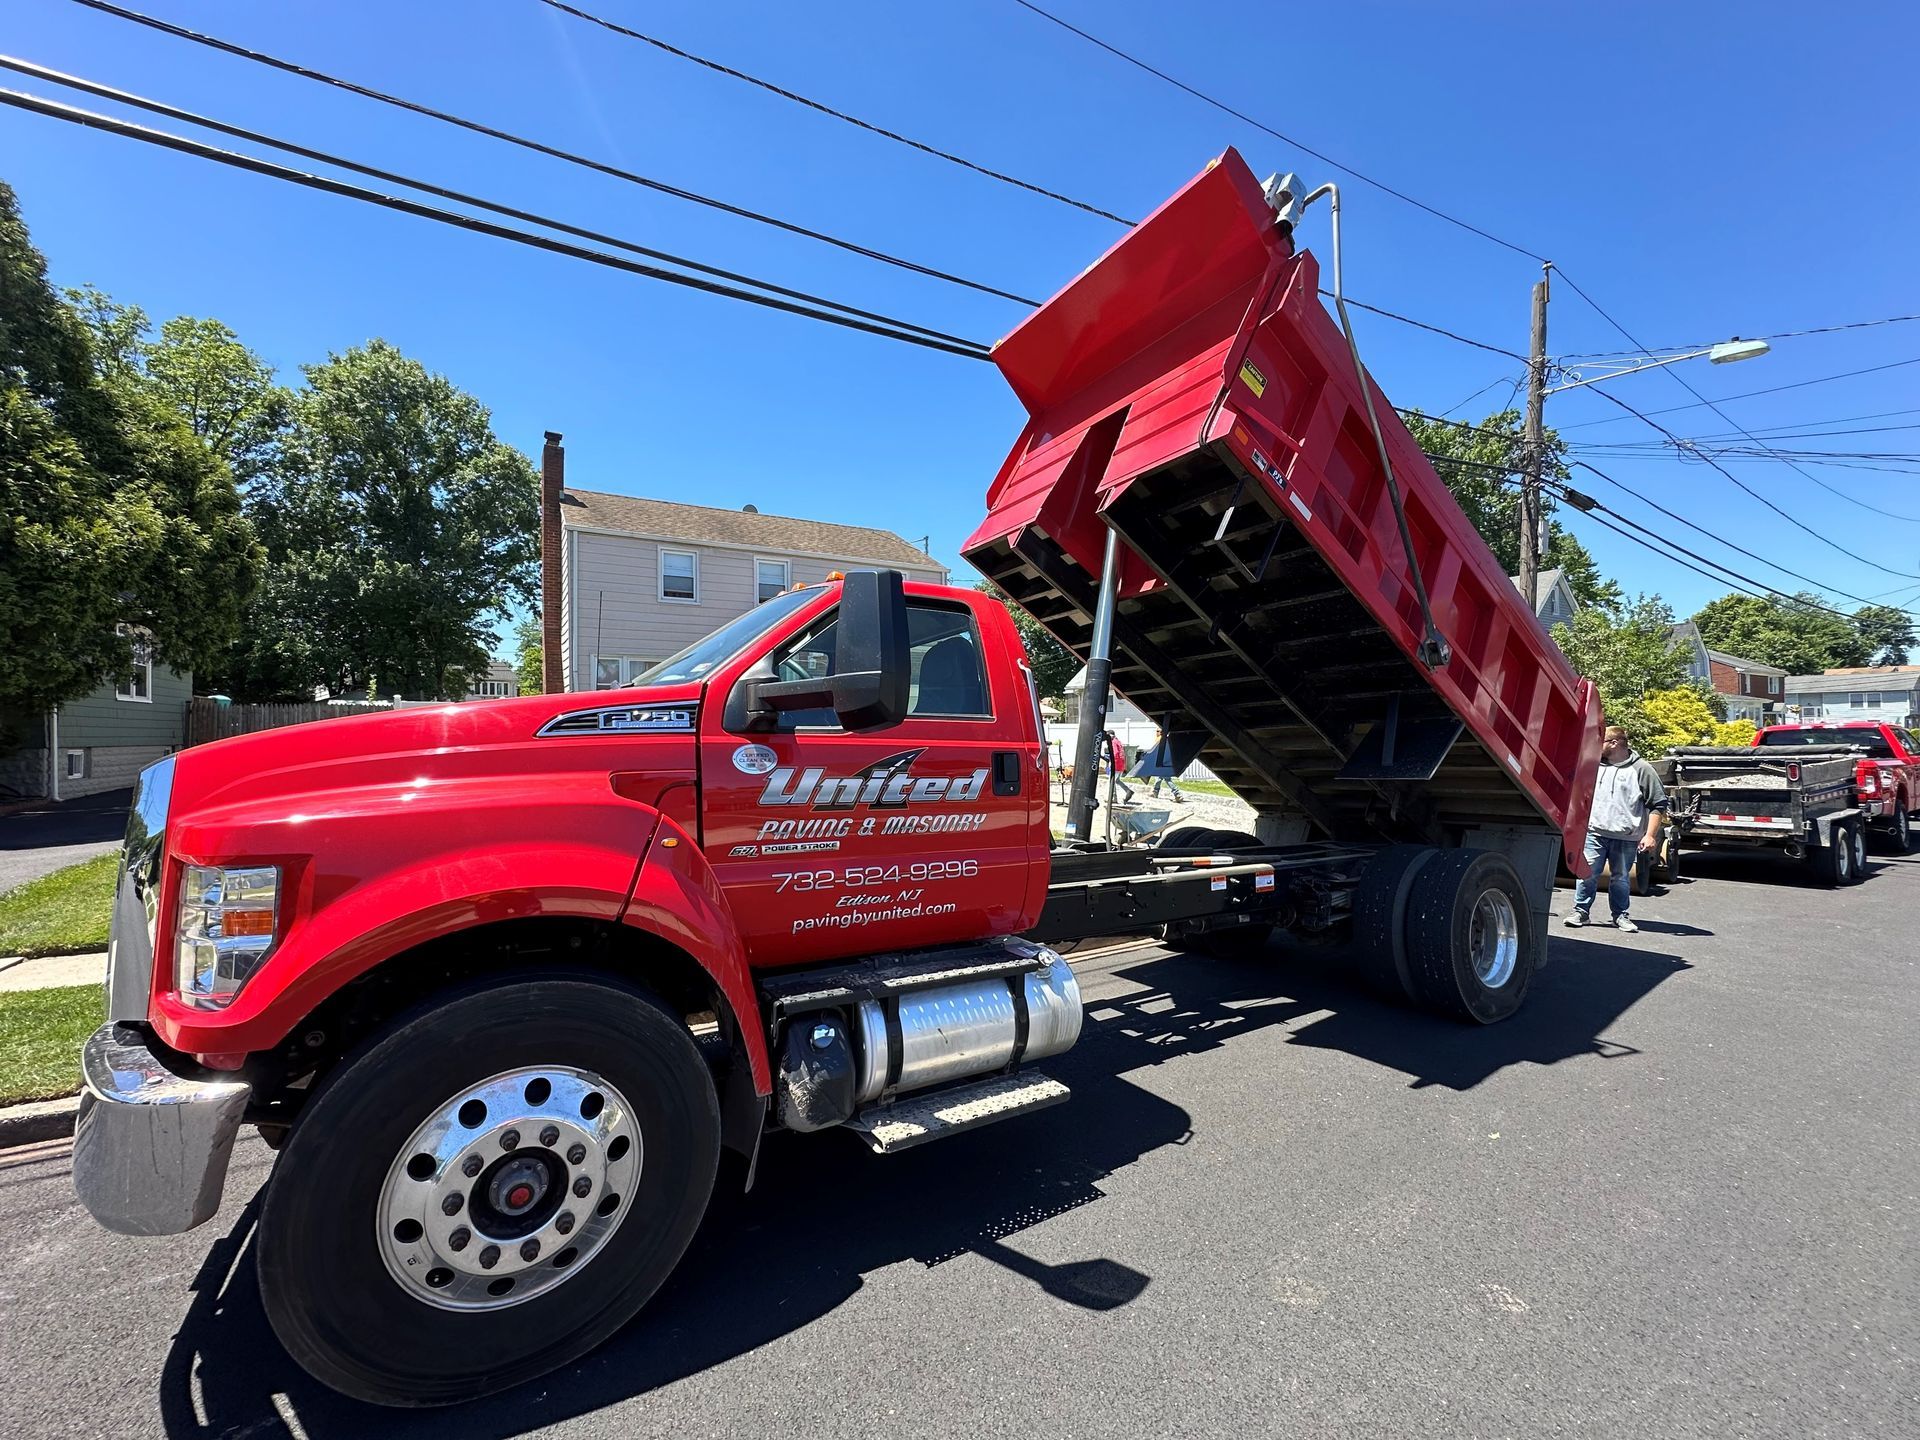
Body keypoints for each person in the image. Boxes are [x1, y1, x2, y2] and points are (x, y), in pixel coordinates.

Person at [1566, 724, 1668, 933]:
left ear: (1614, 743)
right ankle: (1580, 912)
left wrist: (1650, 835)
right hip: (1594, 833)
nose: (1596, 745)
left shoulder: (1642, 770)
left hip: (1626, 837)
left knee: (1620, 878)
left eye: (1601, 741)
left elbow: (1657, 805)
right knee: (1586, 874)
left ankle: (1620, 916)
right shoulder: (1593, 765)